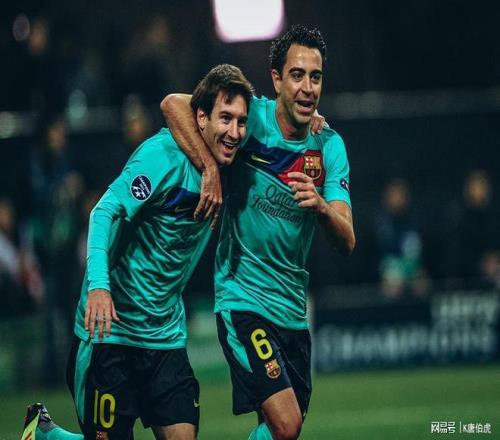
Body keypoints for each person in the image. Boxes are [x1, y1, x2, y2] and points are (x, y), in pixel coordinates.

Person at [21, 64, 254, 440]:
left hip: (165, 337)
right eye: (225, 118)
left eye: (241, 122)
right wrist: (99, 286)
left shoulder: (232, 157)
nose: (235, 131)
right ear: (201, 118)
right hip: (111, 333)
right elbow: (103, 212)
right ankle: (45, 434)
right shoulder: (161, 156)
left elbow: (278, 121)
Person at [160, 25, 355, 440]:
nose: (307, 88)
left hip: (293, 314)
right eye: (297, 75)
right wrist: (211, 168)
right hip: (243, 301)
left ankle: (48, 433)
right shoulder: (251, 120)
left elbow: (347, 239)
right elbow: (174, 104)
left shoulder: (329, 146)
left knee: (278, 432)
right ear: (277, 79)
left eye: (316, 77)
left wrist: (321, 207)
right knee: (287, 424)